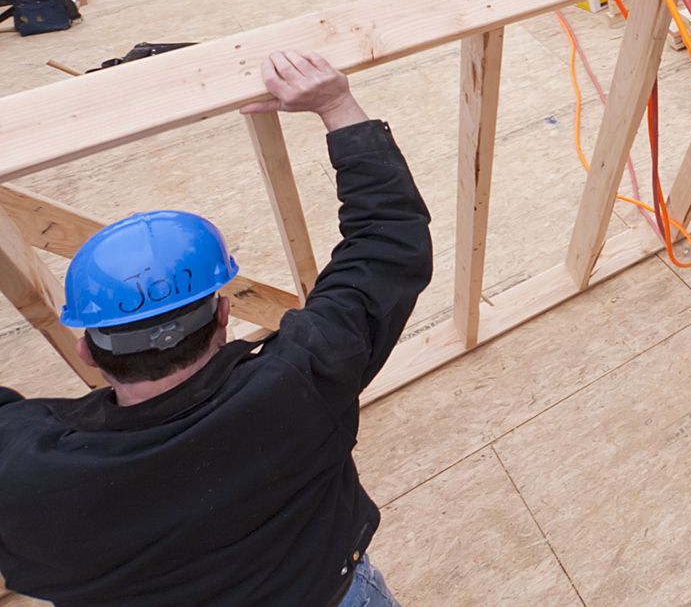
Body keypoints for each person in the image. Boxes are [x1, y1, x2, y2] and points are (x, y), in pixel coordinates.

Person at [0, 51, 432, 606]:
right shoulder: (301, 383)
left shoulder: (27, 473)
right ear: (224, 317)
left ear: (86, 348)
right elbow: (388, 243)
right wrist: (336, 104)